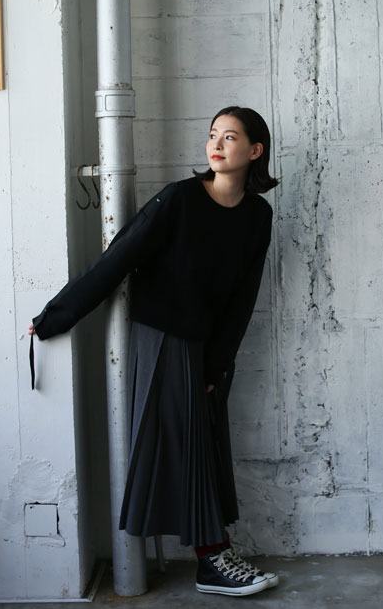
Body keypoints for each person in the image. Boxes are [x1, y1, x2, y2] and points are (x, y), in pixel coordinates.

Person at [28, 106, 279, 597]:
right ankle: (213, 558)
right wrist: (54, 317)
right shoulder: (179, 199)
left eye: (230, 137)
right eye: (212, 134)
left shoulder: (257, 216)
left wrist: (217, 364)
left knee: (207, 443)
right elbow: (118, 258)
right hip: (162, 335)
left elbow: (243, 299)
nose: (216, 144)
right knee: (189, 442)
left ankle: (214, 556)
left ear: (255, 151)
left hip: (207, 344)